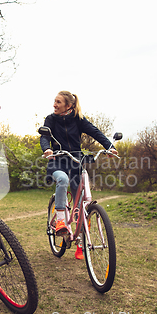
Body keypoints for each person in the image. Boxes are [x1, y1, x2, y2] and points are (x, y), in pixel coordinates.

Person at [40, 91, 117, 260]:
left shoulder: (78, 119)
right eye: (54, 101)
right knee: (62, 180)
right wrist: (47, 149)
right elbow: (44, 136)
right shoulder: (50, 119)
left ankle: (81, 243)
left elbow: (95, 132)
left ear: (68, 106)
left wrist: (109, 146)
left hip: (76, 161)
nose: (54, 105)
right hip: (58, 160)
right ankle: (60, 220)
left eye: (58, 102)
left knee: (82, 204)